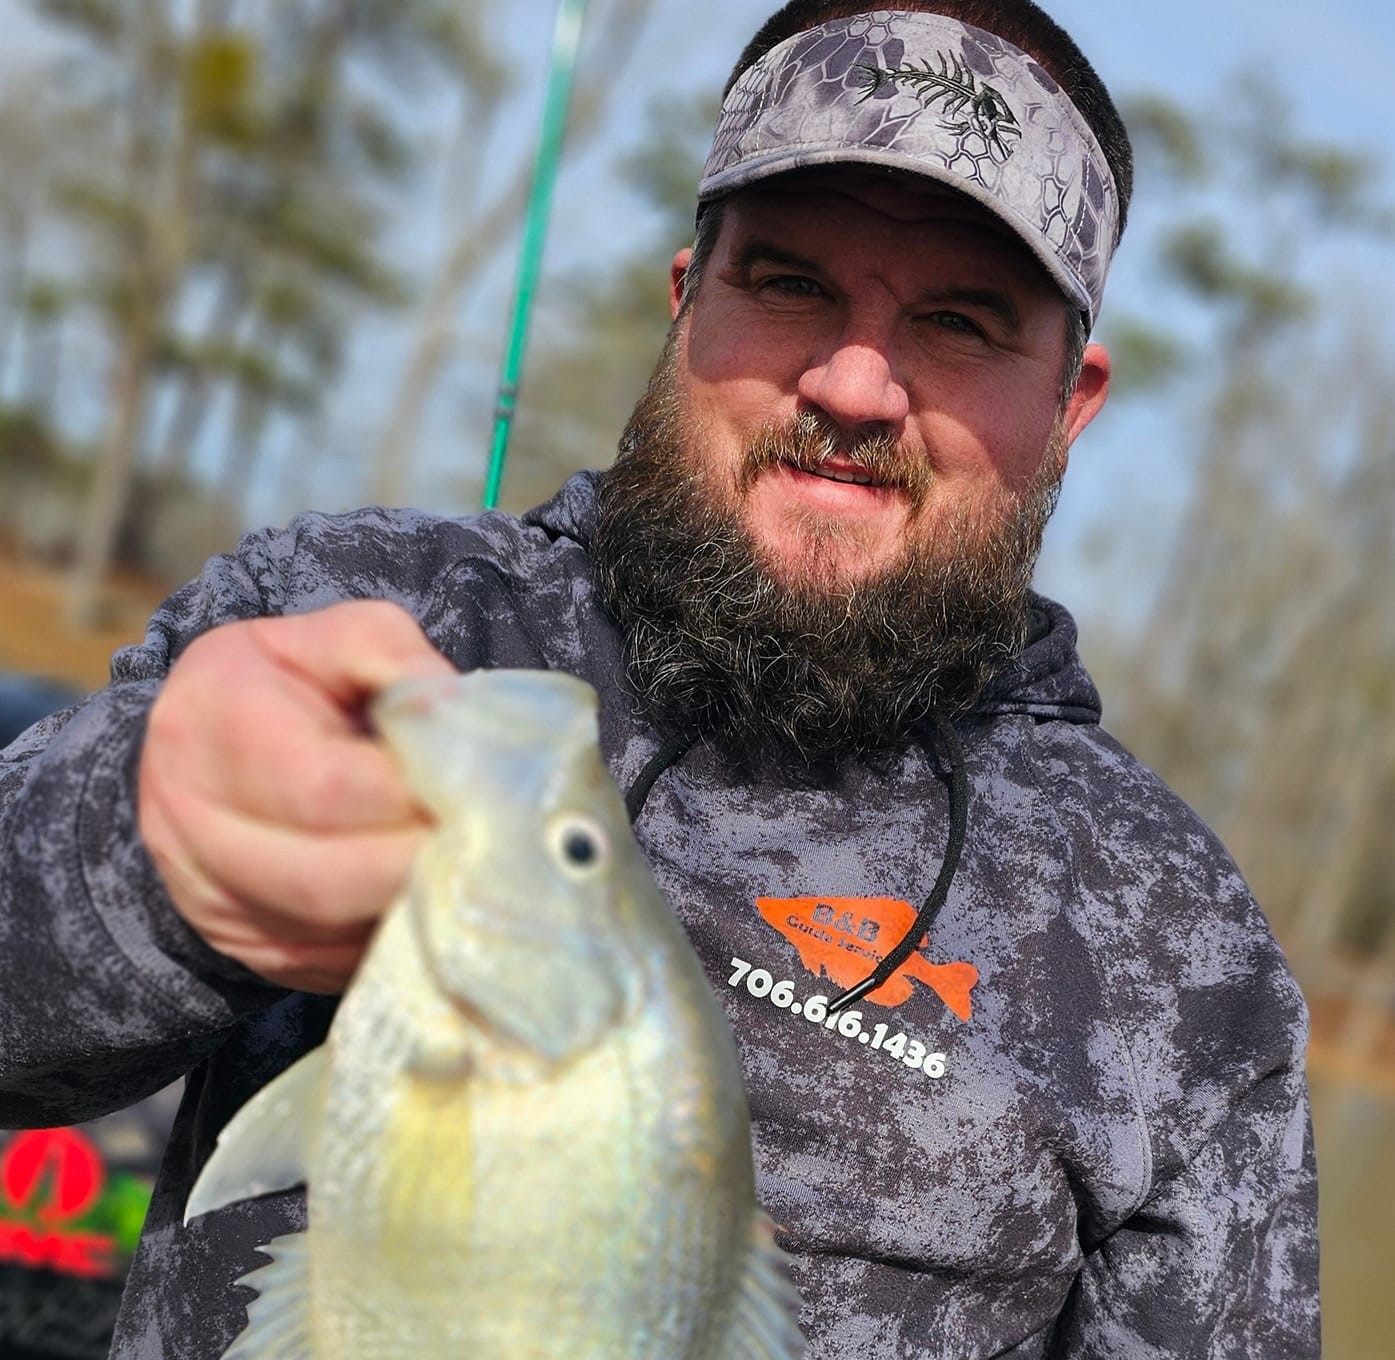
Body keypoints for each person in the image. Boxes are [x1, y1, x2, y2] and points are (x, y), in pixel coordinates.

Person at [0, 1, 1320, 1356]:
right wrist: (150, 848)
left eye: (962, 322)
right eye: (791, 284)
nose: (856, 385)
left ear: (1069, 403)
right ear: (688, 299)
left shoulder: (1173, 937)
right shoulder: (369, 625)